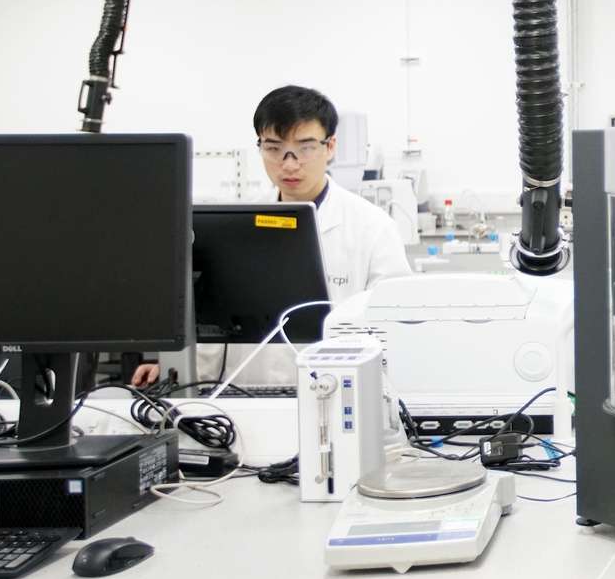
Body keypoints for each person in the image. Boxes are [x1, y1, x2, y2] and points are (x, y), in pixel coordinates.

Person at [131, 86, 412, 387]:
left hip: (334, 392)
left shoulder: (371, 227)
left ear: (330, 147)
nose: (289, 164)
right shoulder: (237, 225)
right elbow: (215, 324)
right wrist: (178, 371)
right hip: (244, 393)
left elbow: (395, 324)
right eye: (274, 148)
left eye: (305, 148)